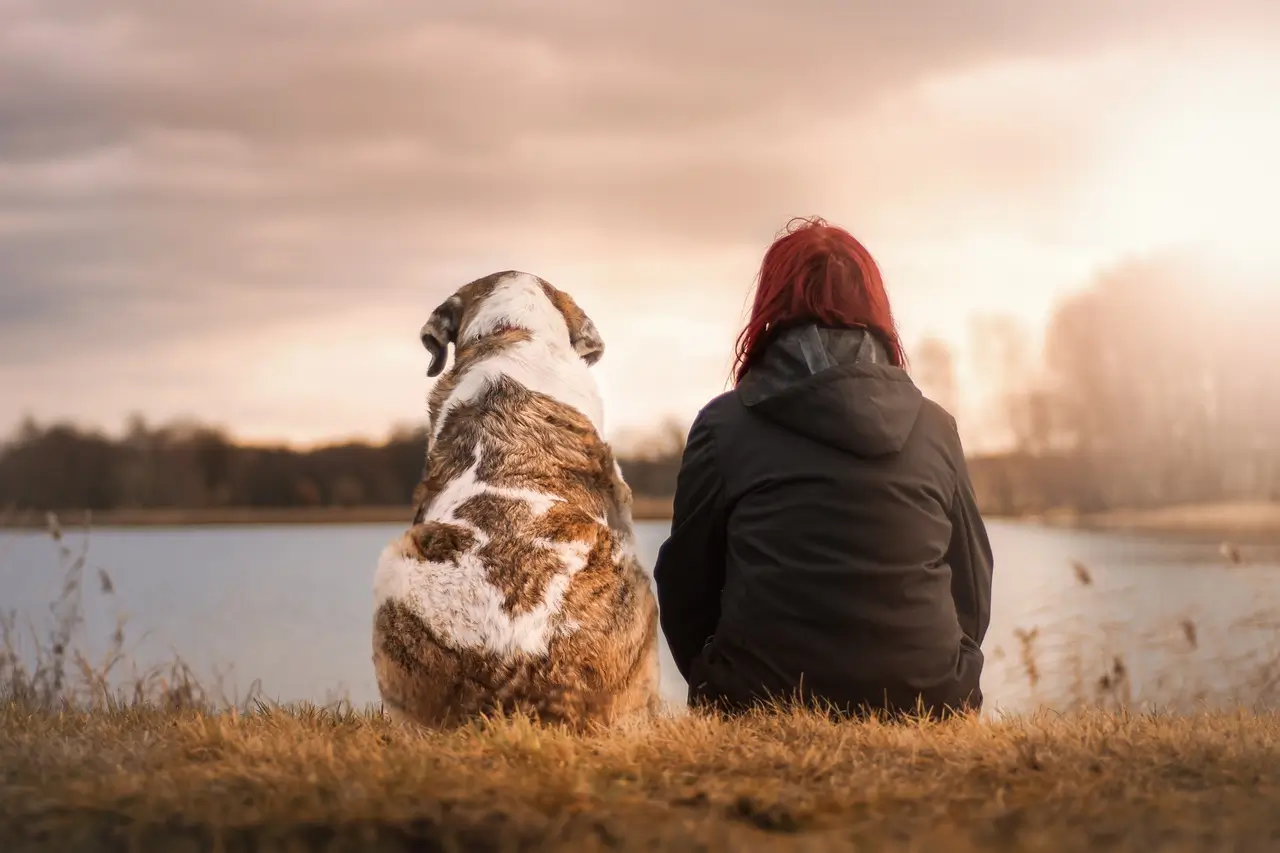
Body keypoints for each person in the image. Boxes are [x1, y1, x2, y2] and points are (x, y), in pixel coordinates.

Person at [652, 216, 993, 720]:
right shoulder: (935, 427)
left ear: (770, 307)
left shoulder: (724, 426)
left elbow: (684, 586)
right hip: (929, 700)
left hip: (757, 700)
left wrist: (715, 678)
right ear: (875, 308)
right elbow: (972, 583)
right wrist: (947, 673)